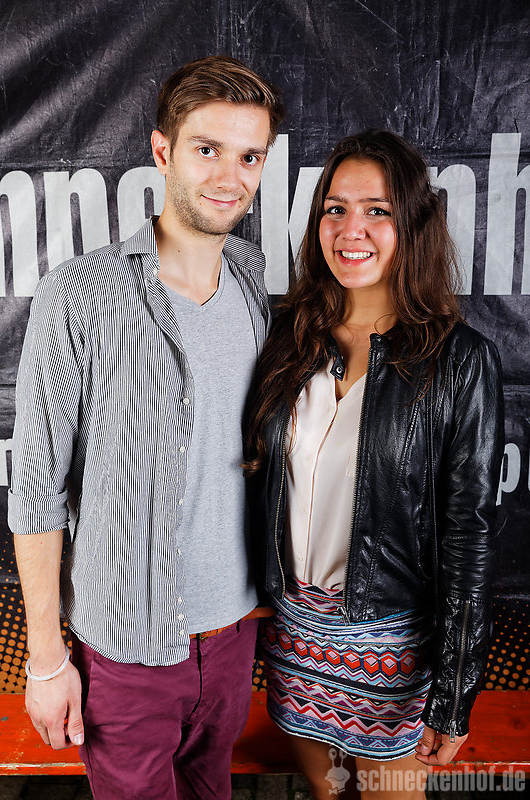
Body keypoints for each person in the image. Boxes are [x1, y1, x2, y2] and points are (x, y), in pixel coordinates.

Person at [9, 55, 284, 799]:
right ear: (162, 151)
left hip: (234, 636)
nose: (229, 176)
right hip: (127, 648)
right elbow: (35, 490)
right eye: (207, 149)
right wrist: (46, 659)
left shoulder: (251, 280)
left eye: (249, 156)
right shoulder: (80, 293)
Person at [245, 130, 504, 800]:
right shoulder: (286, 339)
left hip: (394, 652)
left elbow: (469, 535)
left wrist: (453, 694)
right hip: (296, 638)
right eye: (335, 209)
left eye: (377, 210)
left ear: (411, 224)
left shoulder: (459, 361)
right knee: (325, 795)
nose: (350, 229)